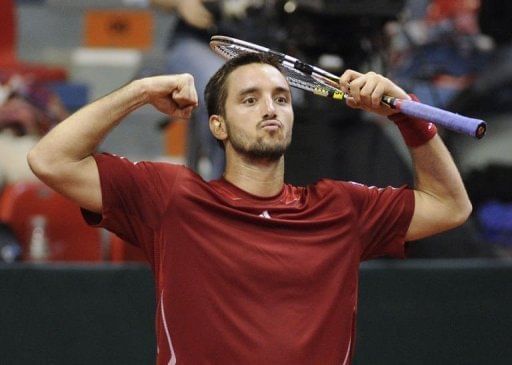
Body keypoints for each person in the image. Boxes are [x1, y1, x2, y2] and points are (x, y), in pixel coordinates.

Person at [27, 53, 471, 364]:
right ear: (216, 125)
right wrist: (141, 91)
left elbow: (449, 206)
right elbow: (51, 160)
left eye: (280, 98)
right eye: (249, 98)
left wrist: (408, 117)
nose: (270, 109)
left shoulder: (342, 207)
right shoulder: (171, 199)